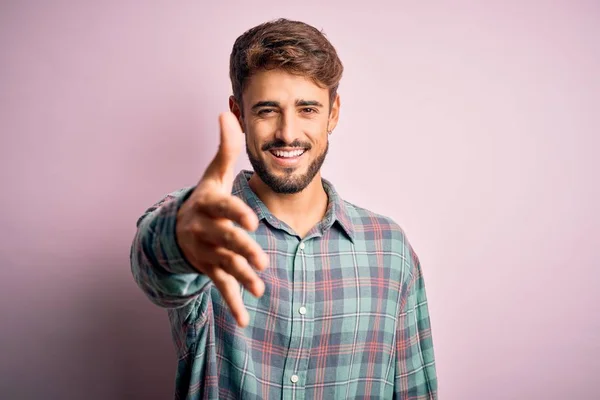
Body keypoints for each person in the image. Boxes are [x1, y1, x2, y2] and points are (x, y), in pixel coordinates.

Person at [130, 18, 438, 399]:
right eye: (266, 110)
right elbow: (153, 265)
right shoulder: (204, 224)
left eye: (307, 109)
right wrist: (177, 239)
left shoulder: (390, 249)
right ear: (239, 114)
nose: (288, 133)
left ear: (334, 113)